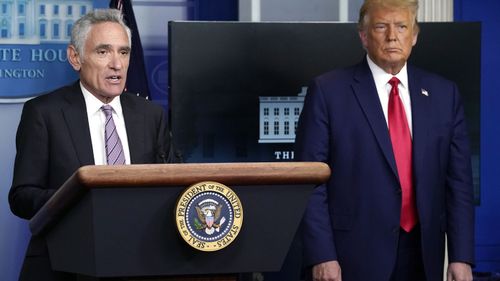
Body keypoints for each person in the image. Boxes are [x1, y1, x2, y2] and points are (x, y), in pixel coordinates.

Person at [295, 0, 475, 280]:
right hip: (349, 256)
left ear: (414, 36)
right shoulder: (329, 91)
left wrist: (461, 257)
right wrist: (322, 255)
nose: (393, 36)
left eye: (402, 26)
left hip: (422, 255)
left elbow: (459, 183)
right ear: (363, 36)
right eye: (381, 26)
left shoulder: (443, 94)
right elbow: (309, 182)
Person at [8, 9, 174, 281]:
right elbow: (22, 196)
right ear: (76, 57)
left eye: (123, 52)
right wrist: (83, 201)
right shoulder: (44, 113)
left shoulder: (150, 115)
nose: (117, 64)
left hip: (140, 261)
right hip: (66, 264)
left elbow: (170, 183)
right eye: (103, 52)